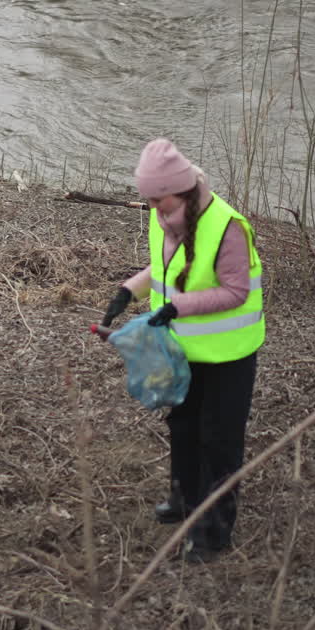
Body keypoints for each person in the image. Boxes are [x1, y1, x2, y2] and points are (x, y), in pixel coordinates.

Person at [101, 138, 264, 562]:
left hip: (229, 354)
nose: (153, 207)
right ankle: (185, 500)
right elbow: (165, 267)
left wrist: (177, 306)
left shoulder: (226, 225)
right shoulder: (165, 216)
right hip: (182, 348)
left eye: (159, 199)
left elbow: (235, 291)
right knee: (184, 427)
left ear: (182, 189)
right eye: (149, 200)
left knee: (219, 440)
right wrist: (127, 293)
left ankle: (214, 532)